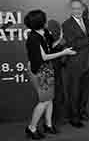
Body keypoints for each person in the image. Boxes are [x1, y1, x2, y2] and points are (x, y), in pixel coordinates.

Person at [24, 10, 76, 139]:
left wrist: (59, 40)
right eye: (44, 19)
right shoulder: (33, 38)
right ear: (39, 22)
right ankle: (31, 128)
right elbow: (44, 57)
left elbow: (50, 47)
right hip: (39, 69)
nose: (46, 20)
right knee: (44, 100)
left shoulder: (45, 32)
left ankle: (48, 125)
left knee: (49, 99)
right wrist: (64, 53)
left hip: (47, 68)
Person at [62, 0, 89, 128]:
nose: (77, 11)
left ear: (83, 8)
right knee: (74, 91)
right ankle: (74, 118)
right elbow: (73, 44)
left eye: (79, 8)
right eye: (74, 8)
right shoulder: (66, 25)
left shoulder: (88, 22)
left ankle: (82, 112)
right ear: (70, 9)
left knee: (84, 90)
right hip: (74, 64)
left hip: (87, 62)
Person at [47, 19, 67, 125]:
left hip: (56, 70)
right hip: (50, 70)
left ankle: (55, 119)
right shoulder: (46, 40)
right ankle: (51, 120)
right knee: (52, 96)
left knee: (57, 95)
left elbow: (63, 60)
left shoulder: (61, 41)